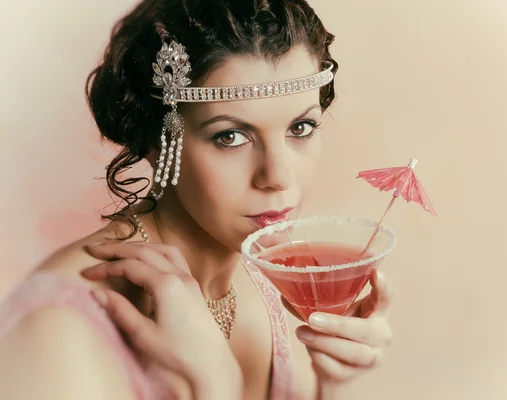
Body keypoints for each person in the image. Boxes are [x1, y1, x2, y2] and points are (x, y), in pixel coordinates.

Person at [0, 1, 394, 399]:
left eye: (301, 126)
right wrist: (212, 387)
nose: (278, 177)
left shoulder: (273, 277)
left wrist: (333, 383)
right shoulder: (57, 328)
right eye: (231, 136)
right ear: (158, 140)